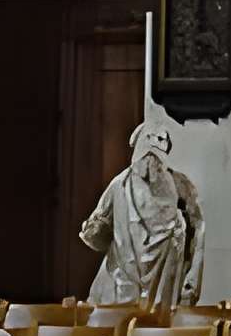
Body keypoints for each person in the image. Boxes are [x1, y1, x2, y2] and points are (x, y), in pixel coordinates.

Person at [79, 123, 202, 306]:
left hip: (162, 287)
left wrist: (191, 281)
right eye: (146, 158)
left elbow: (198, 230)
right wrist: (95, 229)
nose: (150, 166)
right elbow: (96, 231)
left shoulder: (180, 186)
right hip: (122, 284)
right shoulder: (120, 185)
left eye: (155, 160)